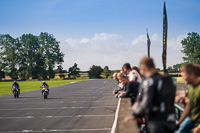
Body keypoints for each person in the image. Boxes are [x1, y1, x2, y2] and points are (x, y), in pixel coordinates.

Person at [124, 57, 176, 133]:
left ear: (143, 68)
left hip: (156, 123)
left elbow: (146, 103)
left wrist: (134, 114)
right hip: (170, 121)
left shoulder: (149, 82)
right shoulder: (167, 79)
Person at [176, 64, 200, 133]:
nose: (183, 78)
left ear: (192, 74)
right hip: (192, 120)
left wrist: (199, 127)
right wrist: (179, 123)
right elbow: (189, 107)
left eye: (184, 76)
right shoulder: (191, 87)